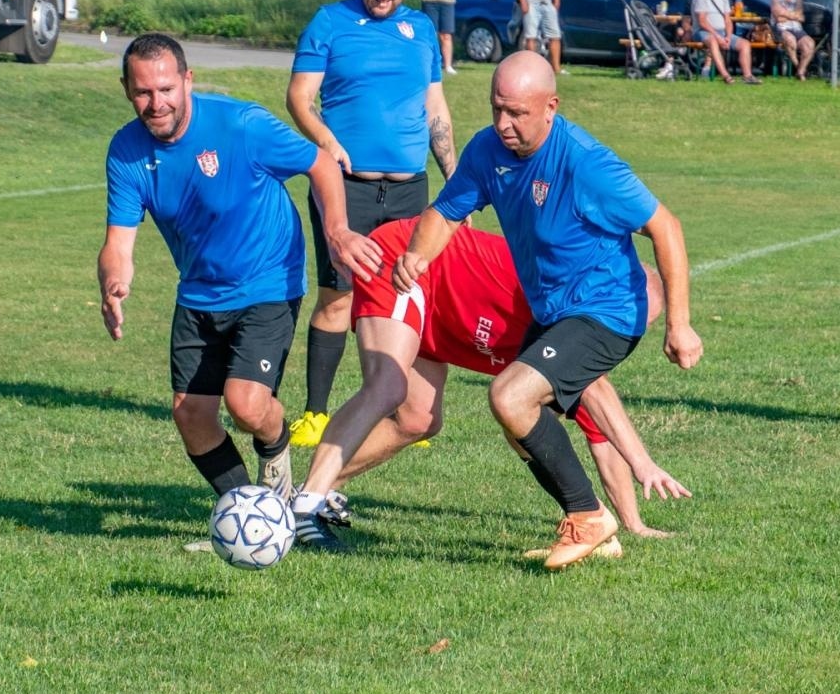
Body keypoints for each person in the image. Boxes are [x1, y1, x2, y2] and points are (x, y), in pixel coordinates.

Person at [392, 53, 704, 569]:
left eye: (516, 113)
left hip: (606, 310)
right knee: (521, 423)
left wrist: (679, 324)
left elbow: (666, 227)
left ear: (550, 107)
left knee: (510, 397)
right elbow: (448, 212)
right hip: (553, 311)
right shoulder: (488, 150)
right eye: (497, 109)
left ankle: (587, 517)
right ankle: (597, 527)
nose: (502, 124)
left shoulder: (586, 163)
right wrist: (417, 256)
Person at [290, 217, 691, 554]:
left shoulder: (584, 335)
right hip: (410, 264)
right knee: (387, 387)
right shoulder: (558, 301)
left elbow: (599, 430)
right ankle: (303, 509)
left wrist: (632, 524)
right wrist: (644, 464)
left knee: (417, 420)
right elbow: (599, 391)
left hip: (438, 324)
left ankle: (314, 491)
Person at [97, 33, 375, 508]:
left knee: (246, 405)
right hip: (199, 291)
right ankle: (252, 512)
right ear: (127, 89)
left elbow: (322, 164)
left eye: (166, 89)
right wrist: (113, 283)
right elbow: (117, 242)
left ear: (188, 80)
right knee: (191, 416)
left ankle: (277, 454)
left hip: (267, 279)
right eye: (143, 92)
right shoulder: (126, 151)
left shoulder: (240, 125)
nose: (156, 103)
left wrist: (337, 230)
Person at [287, 0, 458, 450]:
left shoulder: (422, 29)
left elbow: (436, 110)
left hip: (409, 191)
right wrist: (327, 141)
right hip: (348, 189)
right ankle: (316, 414)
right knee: (340, 298)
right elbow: (299, 97)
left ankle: (401, 407)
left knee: (408, 295)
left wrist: (456, 183)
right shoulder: (330, 22)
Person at [690, 0, 760, 85]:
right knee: (713, 41)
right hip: (703, 32)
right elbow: (702, 22)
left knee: (745, 44)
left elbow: (727, 20)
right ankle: (726, 75)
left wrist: (727, 36)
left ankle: (747, 76)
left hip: (722, 32)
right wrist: (718, 37)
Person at [771, 0, 816, 80]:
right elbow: (778, 16)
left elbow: (801, 17)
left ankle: (801, 70)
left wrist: (785, 14)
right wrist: (794, 15)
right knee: (790, 40)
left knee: (809, 44)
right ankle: (799, 69)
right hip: (782, 28)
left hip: (797, 28)